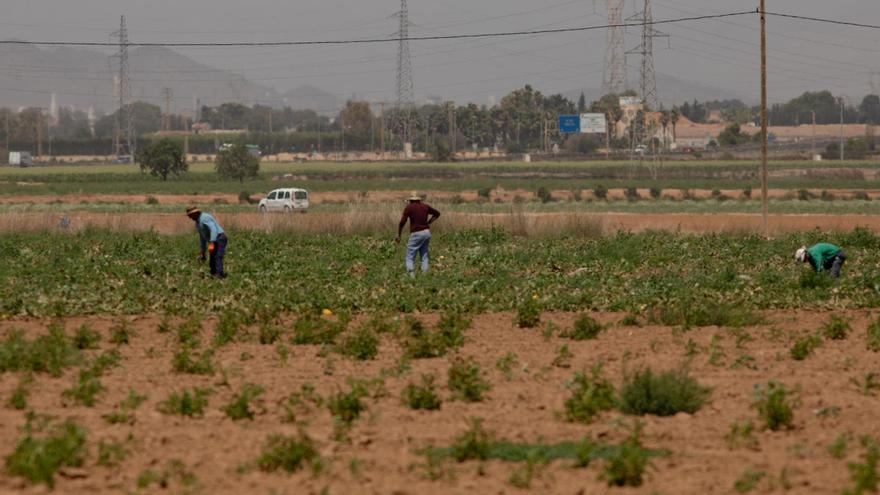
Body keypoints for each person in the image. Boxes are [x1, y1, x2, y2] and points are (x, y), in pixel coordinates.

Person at [395, 192, 440, 277]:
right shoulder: (425, 206)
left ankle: (411, 277)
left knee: (409, 257)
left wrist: (399, 235)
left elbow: (402, 222)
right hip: (426, 232)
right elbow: (437, 214)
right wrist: (429, 222)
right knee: (424, 256)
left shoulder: (409, 207)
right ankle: (425, 277)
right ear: (419, 199)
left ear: (410, 200)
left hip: (416, 233)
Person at [186, 206, 228, 278]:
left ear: (195, 213)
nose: (190, 217)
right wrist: (202, 251)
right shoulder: (197, 223)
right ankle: (213, 273)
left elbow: (213, 229)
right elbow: (202, 237)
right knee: (212, 256)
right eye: (189, 216)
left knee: (217, 256)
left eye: (190, 215)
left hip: (219, 238)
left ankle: (219, 274)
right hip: (214, 239)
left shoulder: (204, 218)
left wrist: (212, 242)